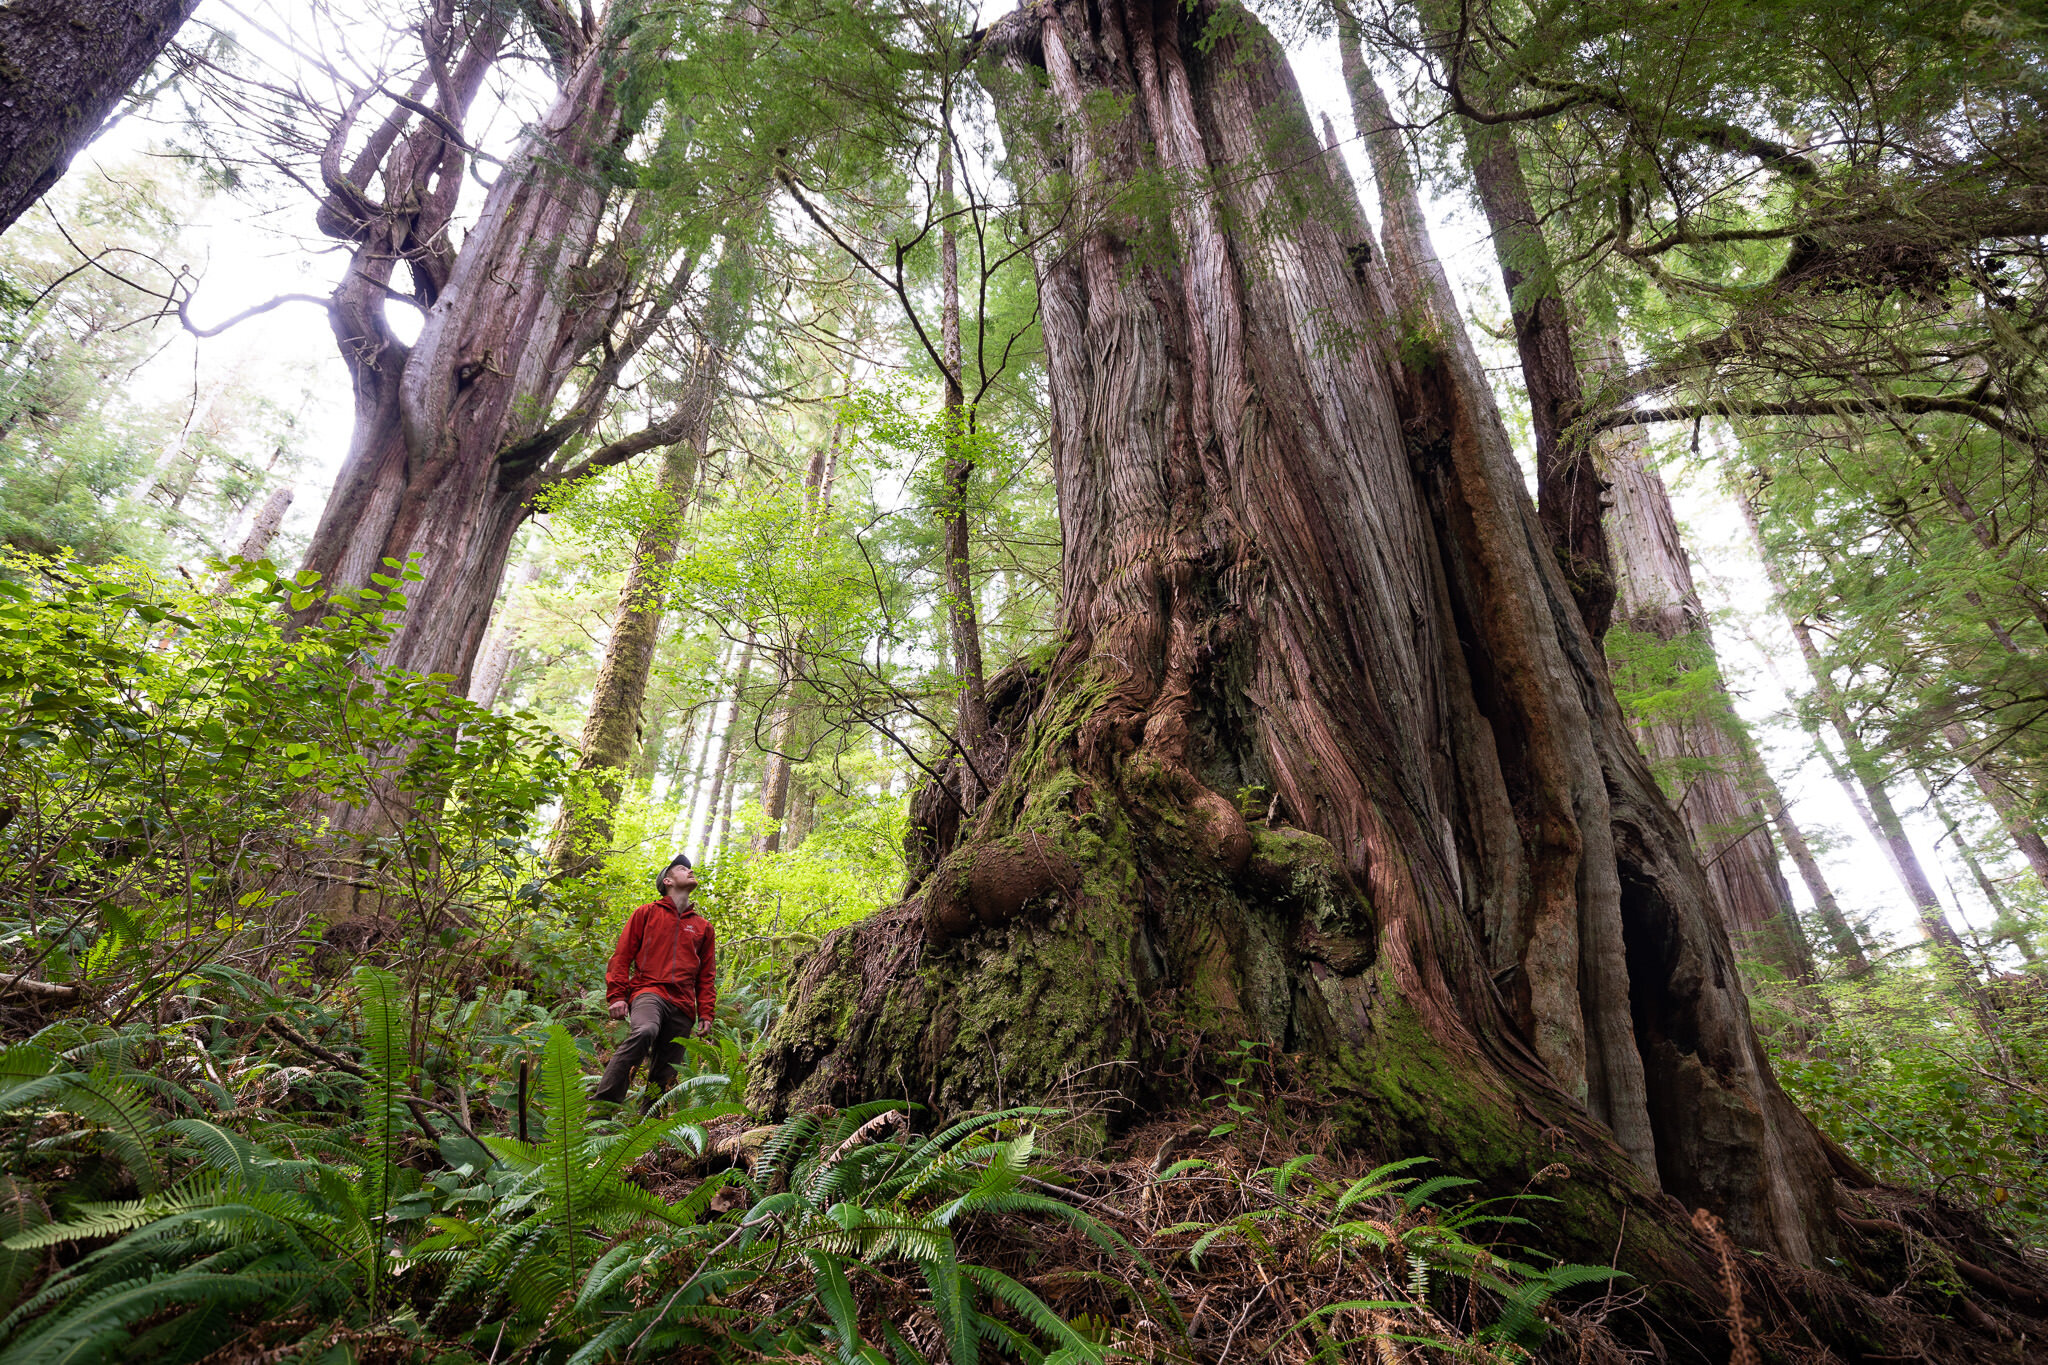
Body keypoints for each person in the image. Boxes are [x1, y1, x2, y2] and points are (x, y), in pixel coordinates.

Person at [592, 854, 716, 1107]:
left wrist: (706, 1013)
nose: (690, 871)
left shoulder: (703, 927)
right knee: (645, 1030)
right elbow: (622, 955)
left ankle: (647, 1131)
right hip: (648, 991)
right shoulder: (646, 913)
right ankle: (601, 1110)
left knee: (666, 1071)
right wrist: (616, 995)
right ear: (668, 880)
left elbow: (707, 975)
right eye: (683, 869)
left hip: (682, 1004)